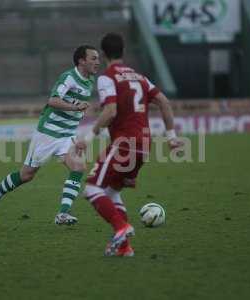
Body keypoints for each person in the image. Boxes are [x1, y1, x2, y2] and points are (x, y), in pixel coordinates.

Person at [81, 33, 182, 257]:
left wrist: (88, 136)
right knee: (112, 191)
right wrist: (172, 136)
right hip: (144, 145)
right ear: (123, 52)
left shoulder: (107, 77)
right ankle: (125, 248)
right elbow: (164, 101)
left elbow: (110, 111)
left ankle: (122, 227)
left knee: (92, 188)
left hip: (125, 142)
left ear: (104, 54)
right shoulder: (140, 77)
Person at [0, 45, 100, 225]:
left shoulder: (90, 81)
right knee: (26, 175)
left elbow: (78, 107)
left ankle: (63, 213)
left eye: (98, 58)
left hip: (66, 135)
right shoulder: (69, 77)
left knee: (78, 167)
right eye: (93, 58)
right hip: (48, 133)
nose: (97, 62)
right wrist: (75, 106)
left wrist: (80, 118)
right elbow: (52, 100)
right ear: (81, 61)